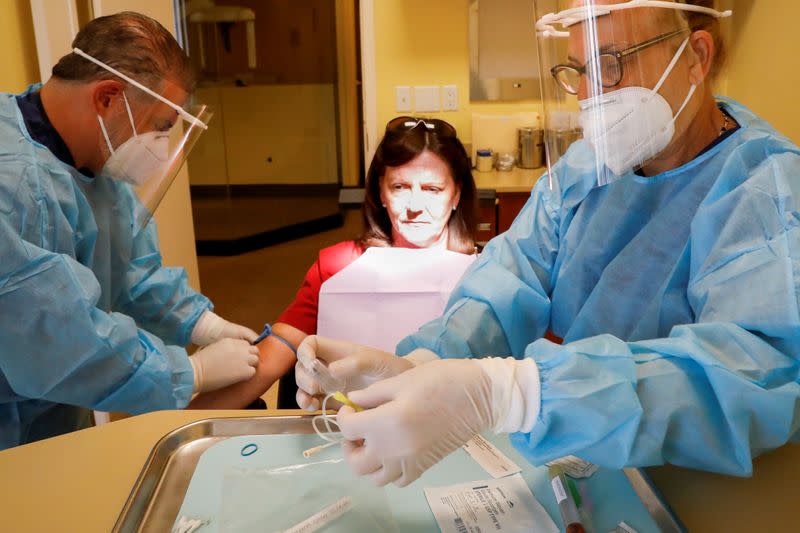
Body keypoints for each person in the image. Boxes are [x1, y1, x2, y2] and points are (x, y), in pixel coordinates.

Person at [296, 0, 800, 488]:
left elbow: (754, 376)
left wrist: (516, 395)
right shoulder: (587, 169)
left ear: (695, 56)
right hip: (591, 457)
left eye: (610, 63)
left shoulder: (765, 189)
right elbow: (511, 276)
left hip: (708, 485)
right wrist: (425, 364)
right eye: (578, 68)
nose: (590, 94)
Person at [0, 12, 261, 450]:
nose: (160, 148)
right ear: (107, 98)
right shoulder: (13, 186)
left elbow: (131, 271)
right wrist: (188, 373)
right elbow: (58, 342)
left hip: (52, 421)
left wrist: (203, 324)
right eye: (160, 128)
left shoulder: (92, 161)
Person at [188, 116, 478, 409]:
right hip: (348, 432)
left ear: (456, 194)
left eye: (432, 189)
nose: (415, 206)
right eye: (400, 187)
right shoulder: (339, 267)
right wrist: (187, 418)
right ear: (381, 192)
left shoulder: (482, 275)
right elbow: (276, 353)